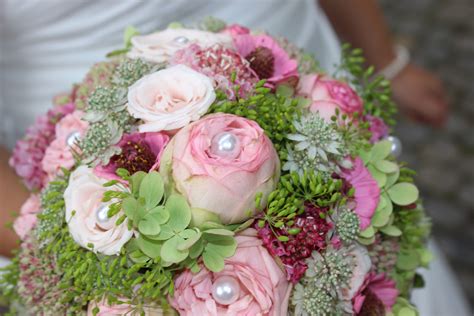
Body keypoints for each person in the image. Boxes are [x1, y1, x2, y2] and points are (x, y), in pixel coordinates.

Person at [0, 1, 466, 315]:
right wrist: (74, 262)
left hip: (293, 69)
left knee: (371, 227)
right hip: (81, 131)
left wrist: (384, 60)